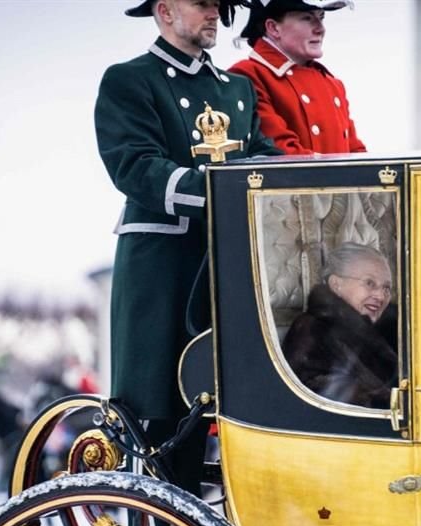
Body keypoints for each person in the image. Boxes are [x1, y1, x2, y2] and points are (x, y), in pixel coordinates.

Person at [94, 0, 280, 499]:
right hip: (165, 272)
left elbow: (262, 157)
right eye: (200, 4)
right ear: (165, 12)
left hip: (228, 264)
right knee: (163, 415)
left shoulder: (236, 90)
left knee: (229, 402)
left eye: (217, 5)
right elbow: (133, 166)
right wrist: (221, 194)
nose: (214, 13)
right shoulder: (130, 80)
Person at [229, 0, 365, 155]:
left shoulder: (333, 84)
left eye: (321, 18)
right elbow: (279, 151)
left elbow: (355, 151)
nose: (320, 29)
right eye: (307, 18)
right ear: (273, 28)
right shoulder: (248, 75)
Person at [281, 243, 396, 408]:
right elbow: (325, 398)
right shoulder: (312, 330)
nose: (380, 295)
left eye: (386, 288)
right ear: (336, 285)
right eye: (369, 283)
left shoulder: (388, 329)